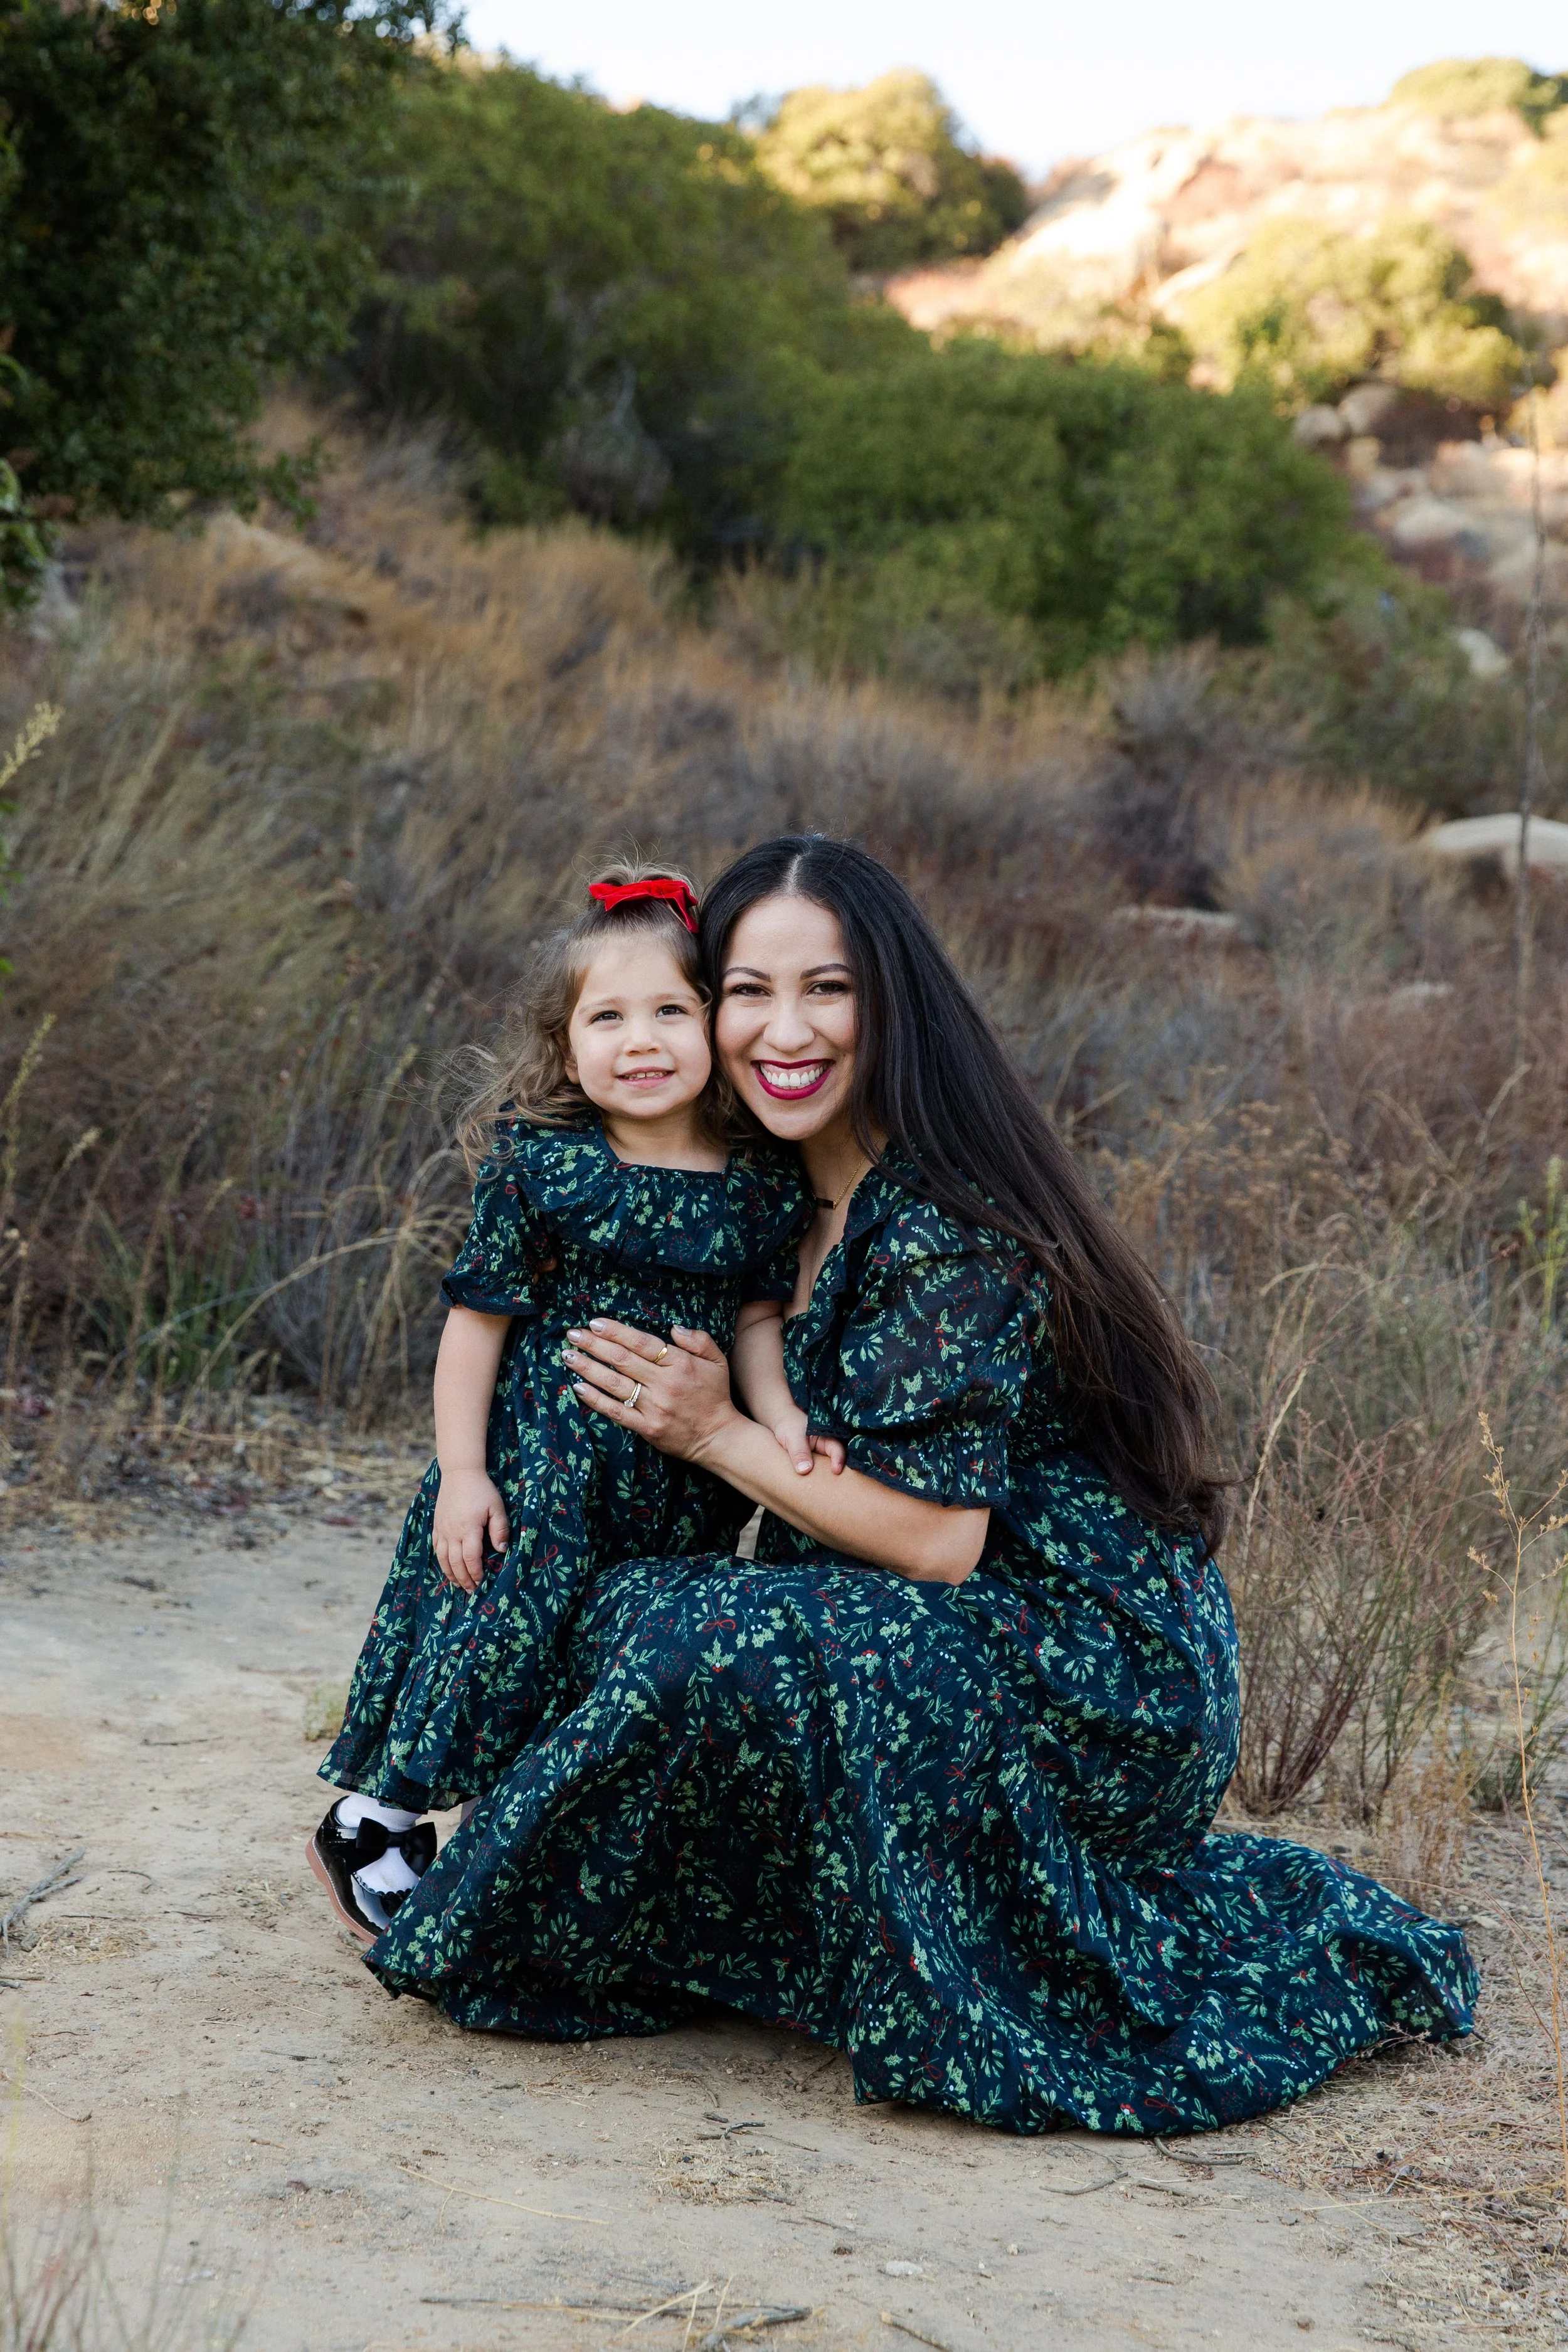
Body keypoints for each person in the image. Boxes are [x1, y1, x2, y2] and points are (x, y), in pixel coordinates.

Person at [359, 834, 1477, 2136]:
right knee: (623, 1602)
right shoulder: (772, 1196)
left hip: (1083, 1672)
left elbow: (943, 1545)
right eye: (743, 992)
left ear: (892, 1001)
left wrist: (714, 1436)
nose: (785, 1030)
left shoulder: (944, 1223)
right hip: (919, 1622)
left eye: (826, 989)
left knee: (688, 1630)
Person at [308, 864, 812, 1941]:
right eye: (610, 1015)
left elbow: (759, 1319)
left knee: (593, 1667)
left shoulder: (760, 1178)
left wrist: (777, 1424)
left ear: (716, 1025)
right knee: (496, 1643)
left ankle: (509, 1853)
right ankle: (374, 1820)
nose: (642, 1039)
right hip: (540, 1475)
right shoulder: (544, 1166)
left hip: (676, 1484)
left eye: (672, 1010)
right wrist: (463, 1470)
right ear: (566, 1042)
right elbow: (475, 1324)